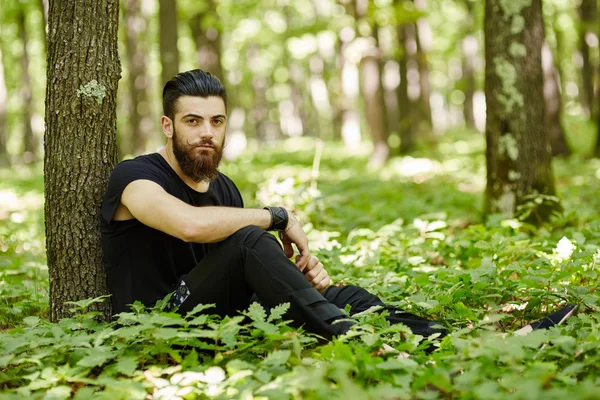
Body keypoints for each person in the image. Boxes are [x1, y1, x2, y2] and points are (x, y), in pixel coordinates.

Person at [100, 69, 575, 342]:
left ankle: (464, 342)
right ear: (168, 126)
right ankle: (363, 345)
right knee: (250, 239)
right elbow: (188, 226)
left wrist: (298, 278)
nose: (207, 132)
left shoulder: (224, 190)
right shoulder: (134, 178)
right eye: (193, 121)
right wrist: (277, 216)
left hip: (219, 320)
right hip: (159, 323)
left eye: (217, 121)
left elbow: (228, 268)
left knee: (348, 296)